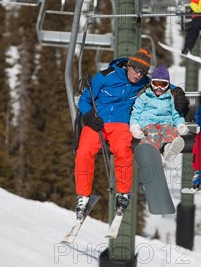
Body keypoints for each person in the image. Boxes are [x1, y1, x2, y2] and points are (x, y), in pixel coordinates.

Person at [74, 49, 190, 219]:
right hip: (97, 121)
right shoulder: (105, 76)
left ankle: (123, 194)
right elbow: (84, 99)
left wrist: (178, 93)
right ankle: (83, 196)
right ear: (129, 66)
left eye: (143, 72)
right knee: (84, 152)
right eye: (136, 70)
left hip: (120, 124)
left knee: (123, 151)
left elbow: (161, 84)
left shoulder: (142, 82)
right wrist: (89, 116)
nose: (138, 75)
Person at [130, 65, 189, 163]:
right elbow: (136, 113)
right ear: (151, 83)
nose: (159, 88)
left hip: (165, 123)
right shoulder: (144, 96)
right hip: (147, 124)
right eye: (156, 84)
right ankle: (150, 153)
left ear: (168, 85)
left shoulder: (170, 98)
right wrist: (135, 127)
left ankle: (168, 149)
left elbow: (176, 114)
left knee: (169, 129)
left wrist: (180, 124)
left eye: (163, 84)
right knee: (153, 133)